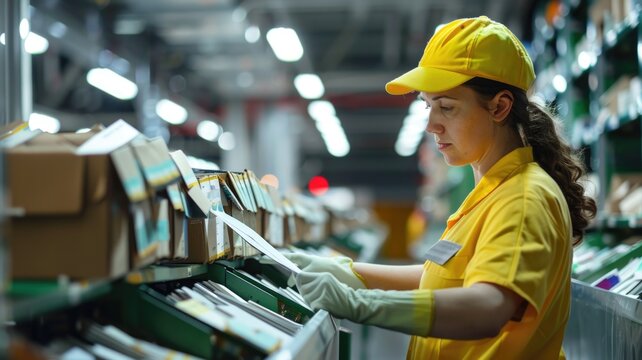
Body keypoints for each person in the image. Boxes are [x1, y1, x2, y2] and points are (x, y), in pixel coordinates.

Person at [289, 15, 597, 359]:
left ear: (499, 107)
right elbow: (443, 275)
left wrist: (362, 303)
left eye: (446, 108)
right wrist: (345, 271)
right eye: (428, 106)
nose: (432, 125)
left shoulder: (524, 197)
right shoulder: (490, 191)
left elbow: (488, 306)